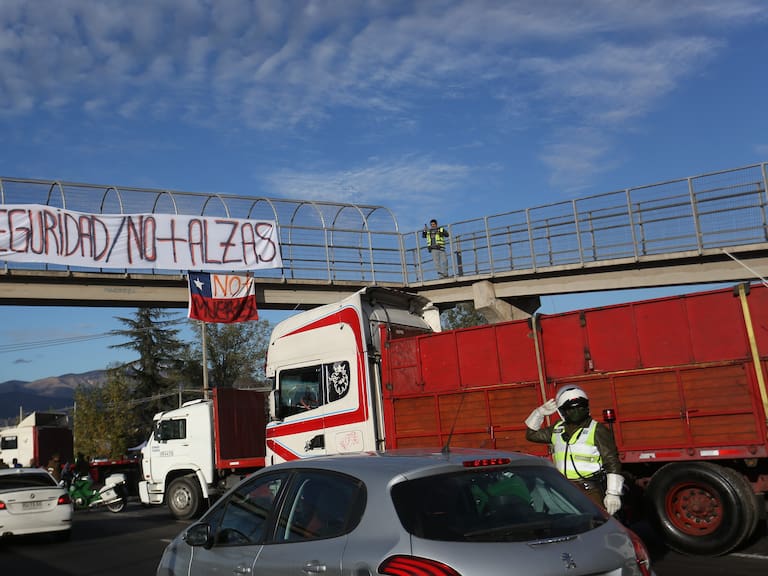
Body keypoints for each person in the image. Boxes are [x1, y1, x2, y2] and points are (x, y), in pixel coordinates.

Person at [524, 385, 623, 515]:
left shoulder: (597, 430)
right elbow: (531, 434)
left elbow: (612, 461)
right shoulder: (557, 429)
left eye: (580, 407)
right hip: (564, 490)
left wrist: (613, 493)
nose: (577, 411)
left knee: (597, 523)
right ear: (562, 411)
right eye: (571, 408)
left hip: (590, 489)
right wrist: (538, 413)